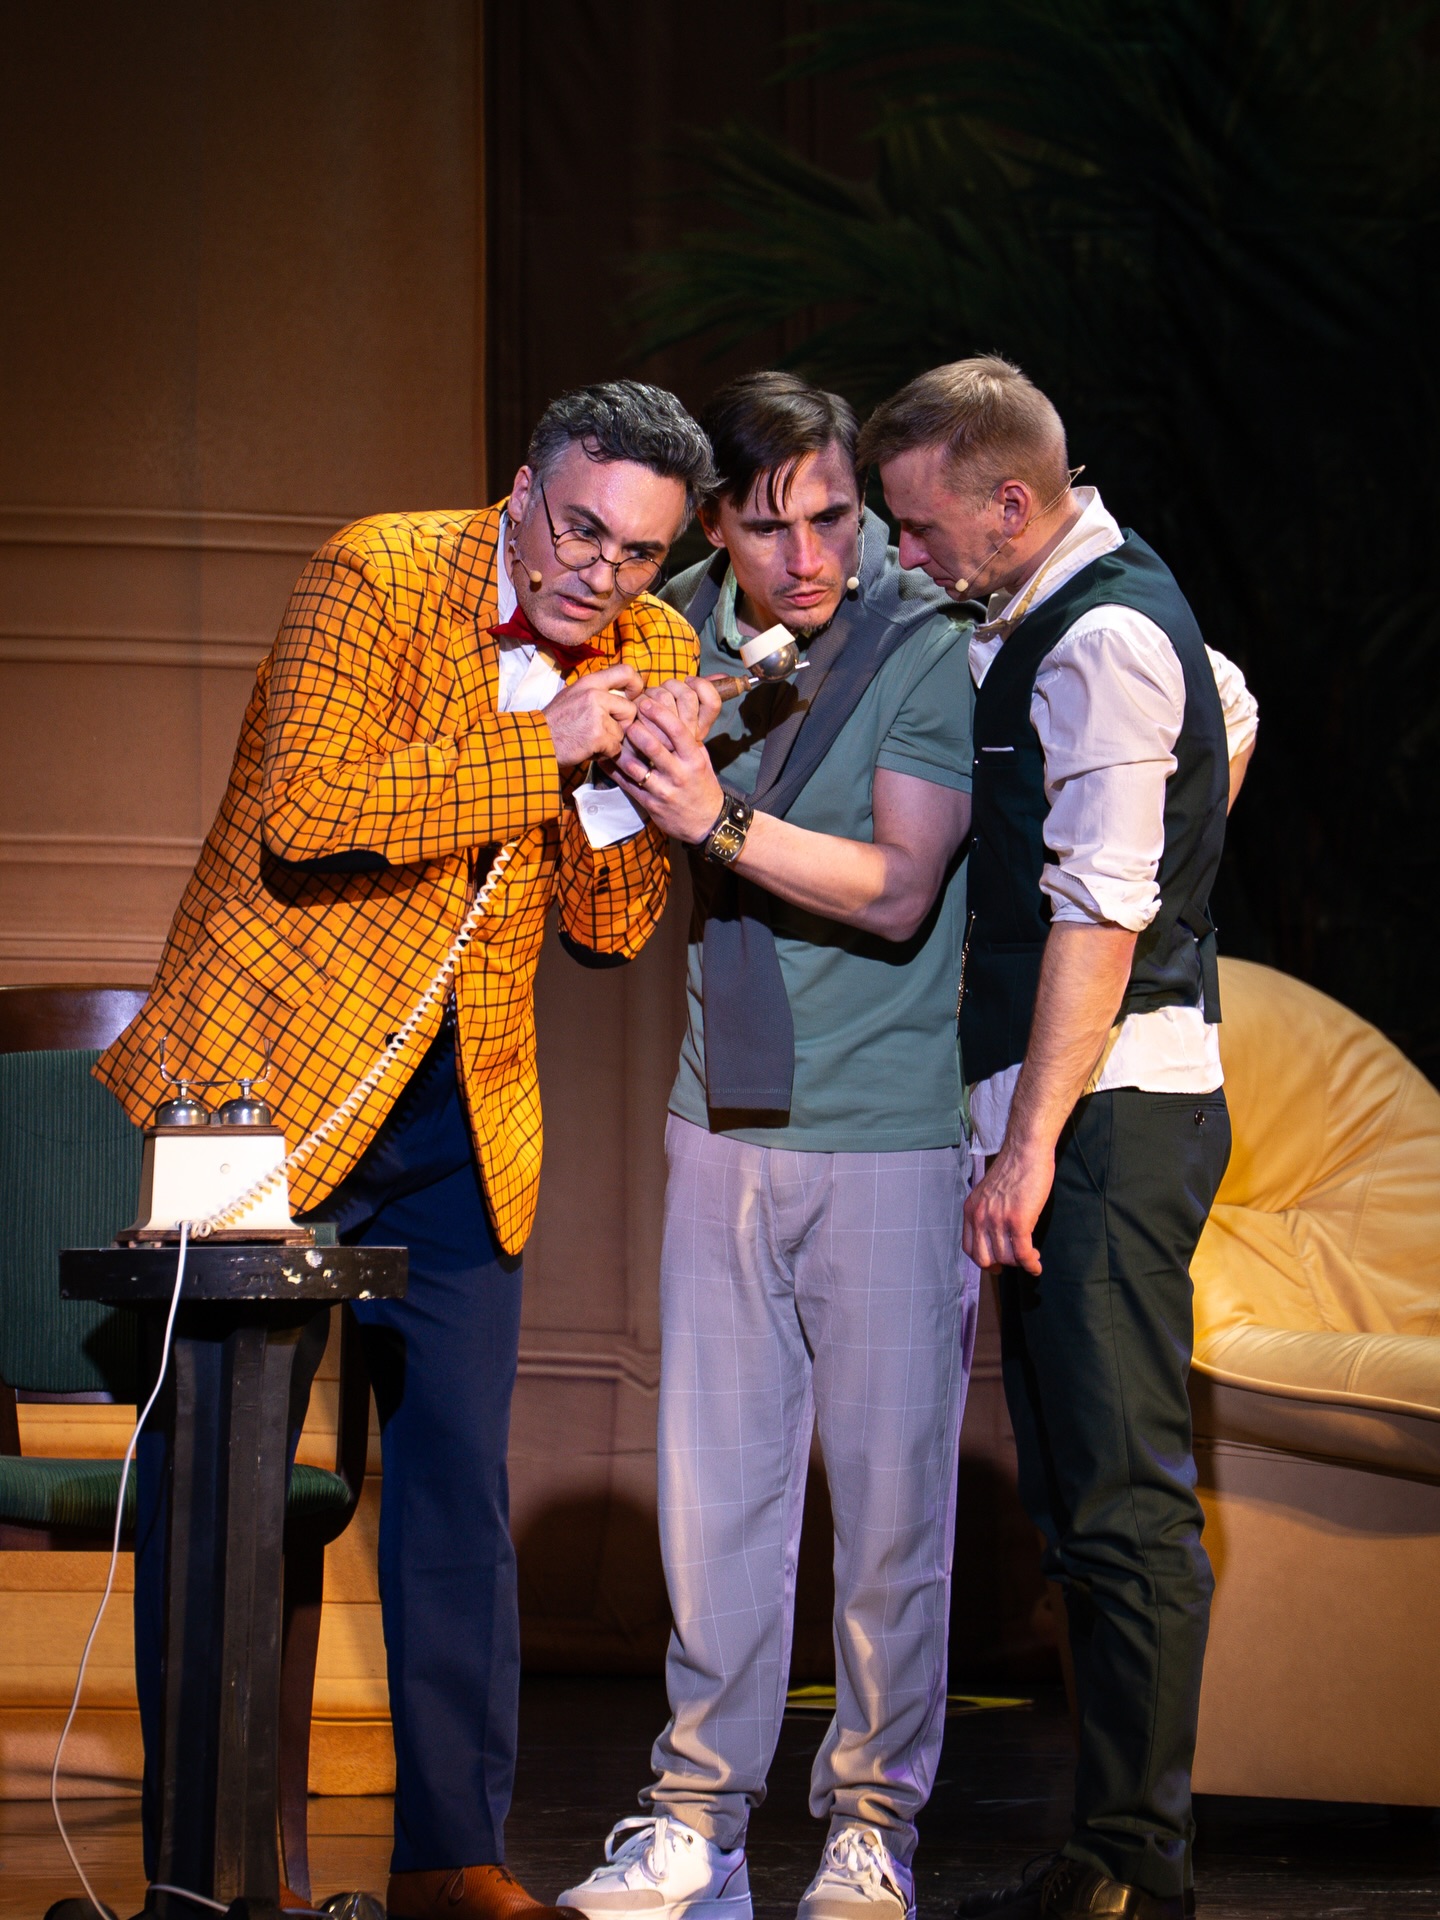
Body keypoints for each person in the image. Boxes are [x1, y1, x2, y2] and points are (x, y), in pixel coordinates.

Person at [95, 382, 714, 1920]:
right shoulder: (375, 572)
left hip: (463, 1116)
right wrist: (544, 740)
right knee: (216, 1479)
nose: (603, 575)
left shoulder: (652, 647)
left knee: (453, 1488)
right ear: (523, 491)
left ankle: (452, 1857)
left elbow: (607, 930)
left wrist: (650, 798)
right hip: (266, 1080)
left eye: (641, 554)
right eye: (582, 531)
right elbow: (306, 810)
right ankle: (198, 1867)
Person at [558, 371, 979, 1920]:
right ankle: (697, 1821)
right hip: (723, 1111)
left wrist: (713, 821)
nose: (809, 558)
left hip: (887, 1131)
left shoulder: (917, 640)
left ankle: (872, 1830)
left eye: (835, 518)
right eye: (770, 525)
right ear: (717, 527)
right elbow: (591, 834)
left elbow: (898, 886)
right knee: (718, 1498)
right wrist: (618, 752)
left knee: (889, 1511)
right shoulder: (666, 629)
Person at [859, 357, 1258, 1920]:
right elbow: (1233, 707)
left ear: (1010, 502)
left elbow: (1100, 909)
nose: (906, 552)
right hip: (1094, 1111)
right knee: (1081, 1502)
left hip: (1106, 1122)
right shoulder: (1088, 612)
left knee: (1120, 1502)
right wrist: (1183, 849)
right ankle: (1112, 1851)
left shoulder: (1097, 633)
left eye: (919, 524)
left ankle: (1136, 1866)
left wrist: (1027, 1147)